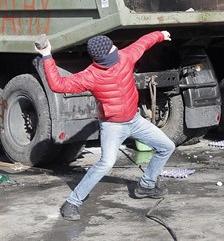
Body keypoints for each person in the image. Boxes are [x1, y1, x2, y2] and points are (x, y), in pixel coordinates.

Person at [35, 31, 176, 221]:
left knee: (167, 146)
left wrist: (160, 34)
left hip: (135, 120)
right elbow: (58, 85)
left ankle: (146, 186)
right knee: (106, 163)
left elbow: (142, 42)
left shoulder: (125, 57)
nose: (116, 48)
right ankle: (72, 202)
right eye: (112, 48)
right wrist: (46, 55)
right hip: (113, 126)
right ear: (105, 55)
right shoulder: (91, 75)